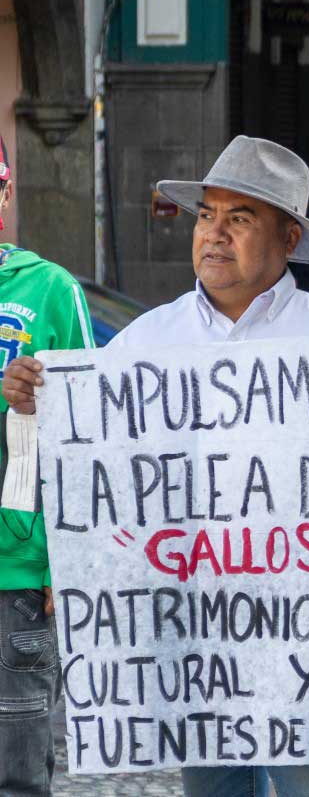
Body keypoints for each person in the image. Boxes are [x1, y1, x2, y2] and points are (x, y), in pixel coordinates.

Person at [1, 135, 309, 797]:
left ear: (290, 237)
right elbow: (94, 465)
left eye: (239, 218)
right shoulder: (147, 343)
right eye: (208, 215)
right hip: (198, 639)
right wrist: (35, 401)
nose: (214, 234)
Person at [0, 135, 94, 797]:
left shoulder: (51, 289)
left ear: (6, 193)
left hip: (18, 570)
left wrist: (75, 559)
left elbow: (93, 428)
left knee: (19, 771)